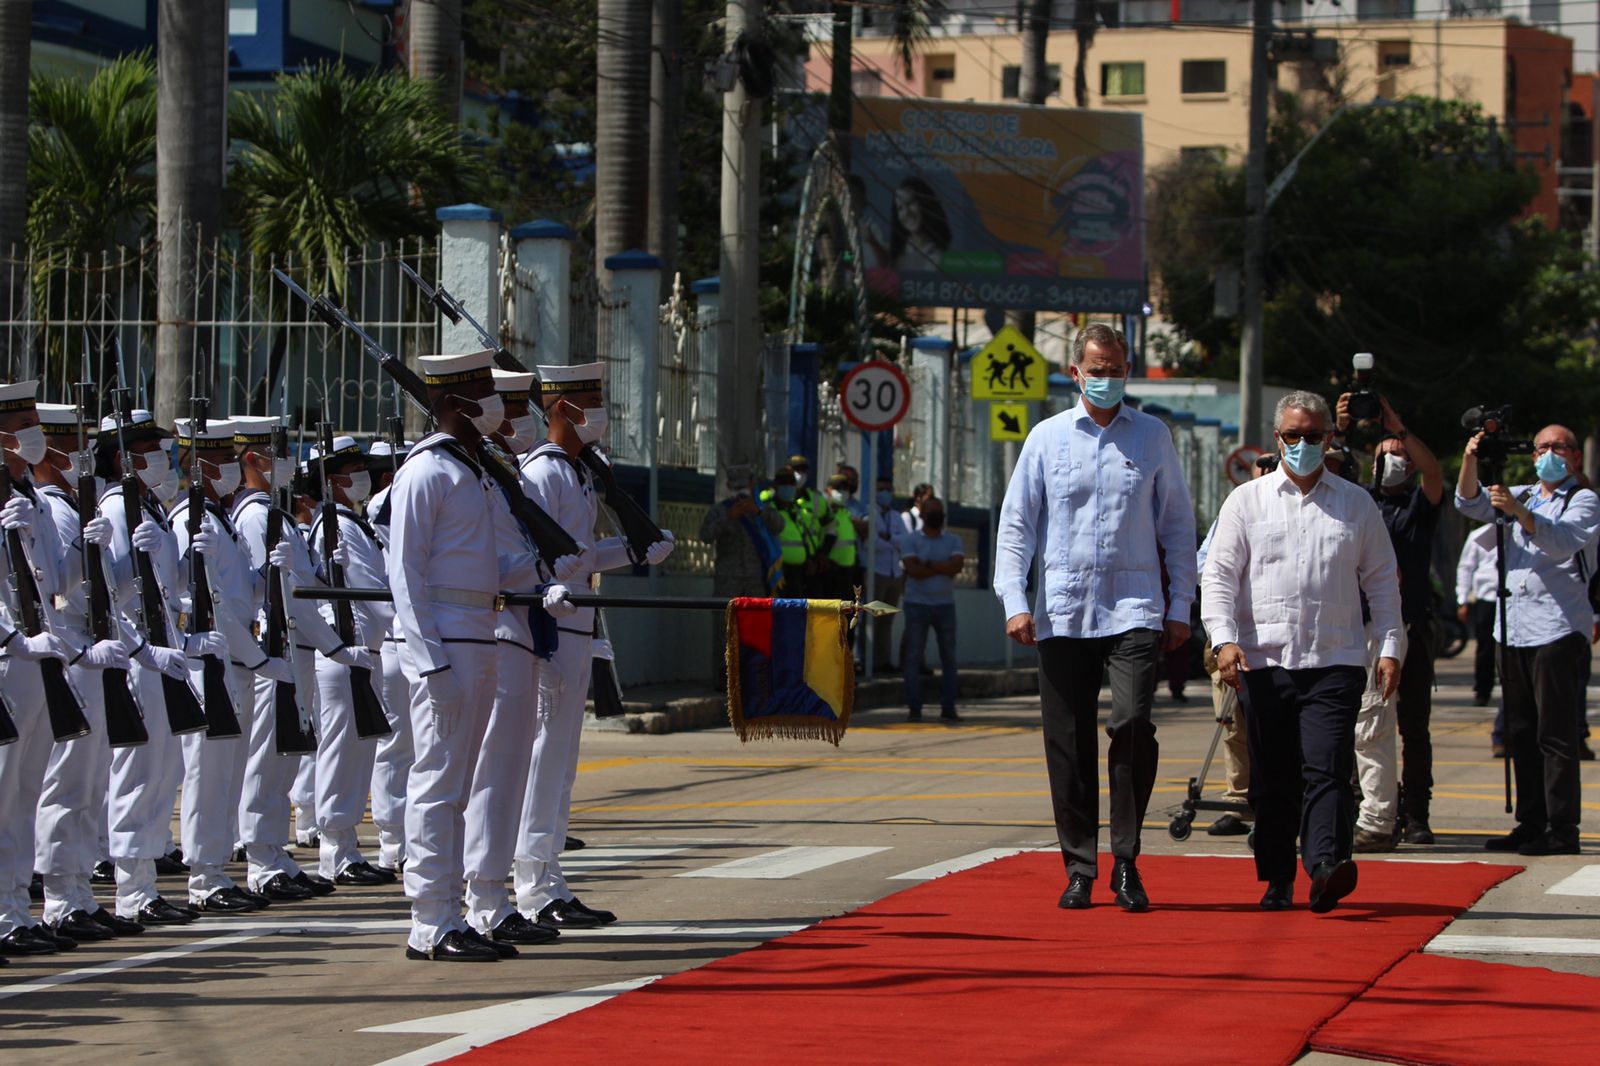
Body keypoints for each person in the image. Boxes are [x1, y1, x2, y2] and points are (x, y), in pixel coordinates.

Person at [995, 323, 1196, 913]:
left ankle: (1127, 860)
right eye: (1096, 369)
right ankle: (1080, 865)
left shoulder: (1153, 437)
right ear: (1075, 372)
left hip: (1134, 607)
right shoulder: (1046, 438)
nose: (1106, 379)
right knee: (1068, 740)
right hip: (1061, 609)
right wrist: (1015, 601)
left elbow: (1178, 527)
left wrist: (1181, 604)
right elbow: (1016, 526)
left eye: (1116, 368)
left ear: (1126, 370)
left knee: (1132, 723)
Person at [1202, 391, 1401, 914]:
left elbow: (1382, 580)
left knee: (1328, 769)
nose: (1303, 444)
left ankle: (1325, 867)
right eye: (1294, 435)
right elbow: (1219, 577)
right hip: (1264, 662)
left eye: (1314, 435)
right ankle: (1277, 878)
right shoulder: (1247, 502)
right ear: (1278, 438)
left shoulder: (1356, 504)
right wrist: (1224, 640)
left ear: (1329, 439)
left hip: (1335, 660)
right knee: (1273, 777)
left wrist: (1391, 645)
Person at [386, 350, 551, 962]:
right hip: (446, 645)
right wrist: (429, 663)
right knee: (435, 783)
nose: (496, 404)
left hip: (480, 633)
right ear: (454, 402)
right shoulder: (426, 471)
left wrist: (538, 575)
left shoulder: (474, 471)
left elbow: (484, 564)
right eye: (483, 391)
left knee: (458, 785)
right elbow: (403, 572)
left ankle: (455, 910)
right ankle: (430, 921)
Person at [514, 362, 673, 933]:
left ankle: (550, 876)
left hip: (580, 623)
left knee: (561, 764)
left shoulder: (578, 472)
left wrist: (633, 550)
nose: (601, 410)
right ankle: (531, 885)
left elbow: (577, 557)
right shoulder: (544, 473)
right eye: (591, 400)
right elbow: (532, 554)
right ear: (563, 408)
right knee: (541, 758)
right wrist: (554, 585)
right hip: (552, 627)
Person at [30, 402, 158, 941]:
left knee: (85, 788)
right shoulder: (54, 507)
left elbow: (106, 590)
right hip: (72, 653)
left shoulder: (64, 506)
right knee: (63, 788)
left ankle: (77, 891)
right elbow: (61, 595)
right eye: (71, 443)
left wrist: (129, 560)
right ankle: (58, 898)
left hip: (93, 650)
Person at [1456, 422, 1597, 856]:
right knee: (1519, 731)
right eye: (1542, 448)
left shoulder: (1583, 499)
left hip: (1557, 627)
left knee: (1554, 734)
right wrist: (1470, 459)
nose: (1550, 454)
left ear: (1574, 456)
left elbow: (1561, 542)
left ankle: (1562, 828)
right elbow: (1469, 503)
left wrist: (1518, 512)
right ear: (1532, 456)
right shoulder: (1524, 492)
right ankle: (1530, 821)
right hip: (1511, 627)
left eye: (1559, 447)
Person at [460, 369, 565, 950]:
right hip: (494, 633)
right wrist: (540, 572)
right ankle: (479, 900)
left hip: (519, 635)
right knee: (490, 779)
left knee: (507, 777)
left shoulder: (502, 481)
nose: (517, 419)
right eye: (507, 408)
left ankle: (493, 899)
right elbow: (480, 562)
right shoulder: (466, 477)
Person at [170, 415, 275, 913]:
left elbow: (240, 594)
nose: (232, 471)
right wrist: (260, 659)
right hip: (210, 660)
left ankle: (215, 868)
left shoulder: (219, 521)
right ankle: (203, 877)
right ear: (201, 465)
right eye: (221, 462)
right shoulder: (188, 520)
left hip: (234, 661)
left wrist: (267, 574)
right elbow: (198, 600)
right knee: (207, 773)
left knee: (227, 773)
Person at [1339, 395, 1445, 847]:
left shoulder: (1420, 506)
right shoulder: (1361, 503)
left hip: (1412, 631)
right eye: (1385, 456)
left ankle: (1416, 813)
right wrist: (1341, 426)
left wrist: (1398, 428)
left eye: (1399, 456)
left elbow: (1436, 473)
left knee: (1413, 727)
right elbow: (1330, 466)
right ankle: (1369, 805)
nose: (1394, 463)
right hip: (1366, 631)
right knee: (1366, 723)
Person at [305, 435, 392, 888]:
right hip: (346, 650)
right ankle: (335, 851)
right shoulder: (336, 526)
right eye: (351, 468)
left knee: (358, 752)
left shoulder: (351, 525)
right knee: (341, 753)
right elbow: (370, 590)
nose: (360, 475)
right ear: (332, 480)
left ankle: (347, 847)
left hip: (363, 651)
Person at [699, 465, 784, 682]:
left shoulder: (760, 509)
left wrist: (758, 512)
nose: (740, 491)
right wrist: (728, 516)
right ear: (728, 487)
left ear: (751, 485)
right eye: (735, 486)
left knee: (756, 628)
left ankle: (755, 677)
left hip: (755, 580)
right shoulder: (720, 510)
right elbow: (706, 536)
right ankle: (724, 677)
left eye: (743, 486)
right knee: (725, 628)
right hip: (728, 579)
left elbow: (779, 526)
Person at [895, 497, 963, 722]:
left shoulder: (953, 540)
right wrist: (942, 567)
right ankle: (914, 708)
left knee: (949, 658)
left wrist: (928, 564)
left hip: (945, 605)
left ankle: (949, 706)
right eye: (932, 511)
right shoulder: (910, 540)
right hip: (917, 605)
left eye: (940, 512)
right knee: (913, 657)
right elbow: (913, 571)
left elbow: (957, 566)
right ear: (922, 515)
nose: (937, 516)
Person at [1455, 522, 1499, 709]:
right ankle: (1483, 690)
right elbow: (1466, 567)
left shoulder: (1522, 531)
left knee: (1512, 650)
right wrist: (1463, 599)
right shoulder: (1478, 536)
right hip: (1487, 598)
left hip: (1515, 599)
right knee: (1485, 648)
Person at [869, 475, 904, 672]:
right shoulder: (870, 513)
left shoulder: (897, 516)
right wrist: (894, 542)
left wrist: (890, 537)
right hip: (877, 570)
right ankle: (869, 661)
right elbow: (873, 543)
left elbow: (905, 541)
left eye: (888, 490)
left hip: (895, 572)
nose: (885, 493)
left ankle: (883, 661)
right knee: (871, 618)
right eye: (881, 489)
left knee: (887, 620)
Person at [889, 176, 951, 273]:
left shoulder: (941, 256)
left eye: (910, 203)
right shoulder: (896, 254)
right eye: (900, 208)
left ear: (925, 204)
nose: (907, 213)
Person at [766, 466, 812, 596]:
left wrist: (808, 557)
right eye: (785, 484)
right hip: (780, 570)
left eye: (792, 484)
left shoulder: (795, 510)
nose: (789, 488)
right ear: (776, 486)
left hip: (799, 571)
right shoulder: (770, 509)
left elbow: (803, 536)